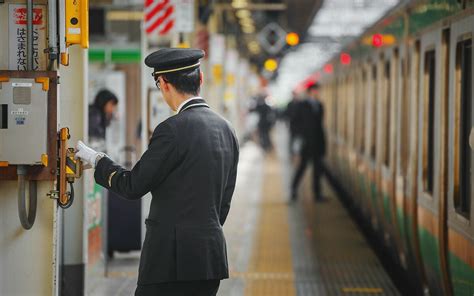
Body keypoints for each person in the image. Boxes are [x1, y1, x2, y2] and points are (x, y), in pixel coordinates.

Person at [75, 48, 240, 296]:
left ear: (163, 83)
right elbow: (224, 201)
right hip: (210, 258)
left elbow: (133, 186)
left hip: (169, 262)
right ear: (201, 79)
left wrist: (98, 161)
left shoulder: (171, 129)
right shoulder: (227, 129)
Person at [290, 82, 326, 202]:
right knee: (302, 168)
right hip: (306, 143)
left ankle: (317, 194)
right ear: (310, 92)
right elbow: (294, 123)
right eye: (316, 91)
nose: (318, 93)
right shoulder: (301, 105)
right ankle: (293, 190)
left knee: (317, 170)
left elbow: (320, 126)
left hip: (317, 143)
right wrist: (298, 139)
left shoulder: (320, 105)